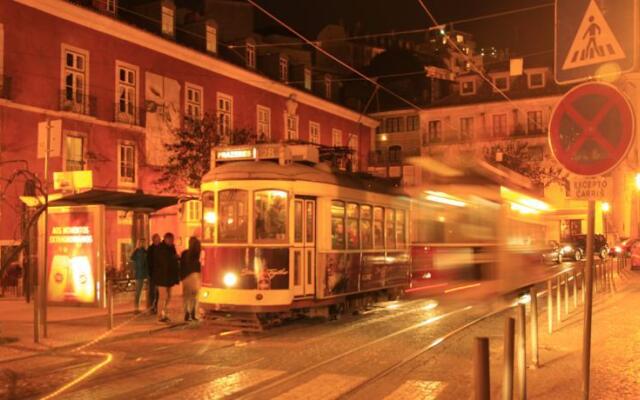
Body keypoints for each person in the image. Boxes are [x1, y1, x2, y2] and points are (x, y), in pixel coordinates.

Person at [151, 233, 180, 322]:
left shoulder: (171, 248)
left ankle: (163, 312)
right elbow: (164, 262)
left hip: (168, 277)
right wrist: (174, 258)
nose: (172, 242)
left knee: (168, 296)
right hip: (161, 277)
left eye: (172, 240)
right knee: (163, 296)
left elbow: (172, 260)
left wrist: (176, 258)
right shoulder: (161, 248)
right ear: (166, 239)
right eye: (170, 240)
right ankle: (160, 315)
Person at [180, 236, 202, 321]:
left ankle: (186, 313)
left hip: (186, 277)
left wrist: (181, 277)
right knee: (194, 296)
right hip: (194, 276)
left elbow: (181, 266)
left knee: (186, 296)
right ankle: (192, 313)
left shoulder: (184, 253)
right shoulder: (197, 254)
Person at [130, 239, 149, 314]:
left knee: (143, 291)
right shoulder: (137, 252)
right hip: (140, 274)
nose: (142, 244)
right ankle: (136, 307)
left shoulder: (145, 251)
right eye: (141, 242)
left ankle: (139, 307)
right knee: (138, 291)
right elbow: (132, 260)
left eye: (143, 242)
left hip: (145, 273)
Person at [146, 234, 161, 313]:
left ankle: (157, 306)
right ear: (153, 240)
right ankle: (152, 307)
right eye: (157, 239)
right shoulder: (151, 249)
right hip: (153, 273)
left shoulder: (162, 248)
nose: (158, 240)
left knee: (159, 291)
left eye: (158, 238)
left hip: (160, 273)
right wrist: (149, 272)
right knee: (152, 291)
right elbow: (148, 261)